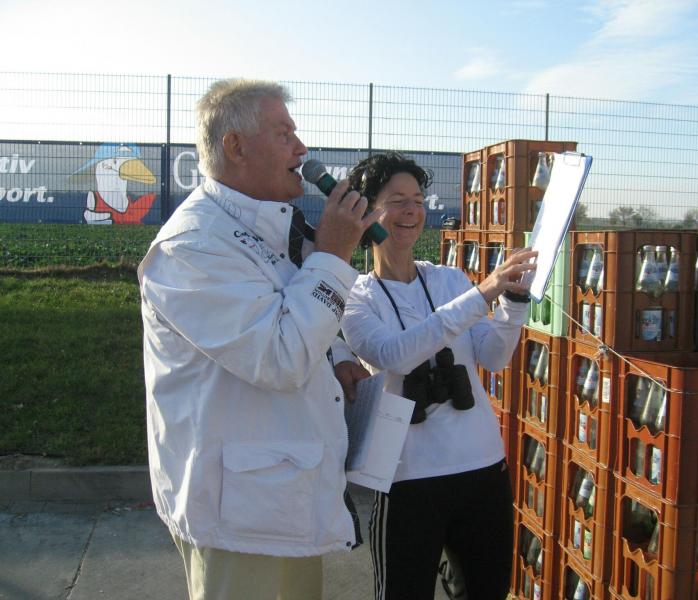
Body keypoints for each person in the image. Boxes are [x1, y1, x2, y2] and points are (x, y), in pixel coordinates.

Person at [138, 78, 381, 600]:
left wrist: (338, 354)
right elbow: (279, 356)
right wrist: (333, 254)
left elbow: (291, 301)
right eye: (284, 133)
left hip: (285, 500)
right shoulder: (193, 245)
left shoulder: (266, 225)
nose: (302, 149)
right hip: (238, 518)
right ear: (236, 146)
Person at [340, 152, 537, 600]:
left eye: (417, 200)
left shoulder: (449, 280)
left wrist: (512, 304)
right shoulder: (355, 296)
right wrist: (482, 294)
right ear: (367, 211)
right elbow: (394, 355)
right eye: (396, 201)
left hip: (482, 468)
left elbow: (494, 356)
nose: (411, 211)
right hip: (406, 478)